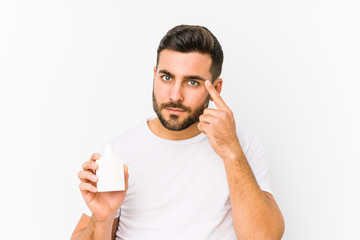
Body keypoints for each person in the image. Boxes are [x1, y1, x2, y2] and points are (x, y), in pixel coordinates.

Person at [71, 24, 285, 240]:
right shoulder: (118, 153)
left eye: (192, 82)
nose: (175, 95)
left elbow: (264, 237)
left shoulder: (242, 144)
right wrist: (102, 219)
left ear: (216, 89)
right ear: (155, 75)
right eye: (166, 77)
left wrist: (231, 153)